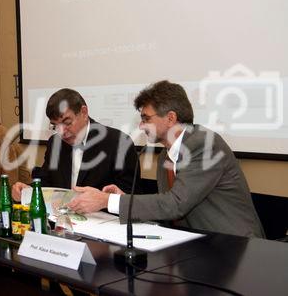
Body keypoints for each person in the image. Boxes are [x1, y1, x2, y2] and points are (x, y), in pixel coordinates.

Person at [70, 81, 264, 238]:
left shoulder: (205, 145)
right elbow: (165, 207)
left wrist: (108, 201)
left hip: (236, 247)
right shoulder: (166, 154)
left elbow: (175, 204)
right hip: (196, 245)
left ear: (170, 118)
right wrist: (121, 198)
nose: (141, 125)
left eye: (146, 119)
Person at [12, 88, 140, 202]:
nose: (62, 132)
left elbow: (129, 198)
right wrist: (29, 191)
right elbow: (47, 184)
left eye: (67, 122)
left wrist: (101, 201)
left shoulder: (118, 143)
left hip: (104, 223)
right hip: (63, 222)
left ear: (84, 112)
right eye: (56, 126)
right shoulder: (55, 143)